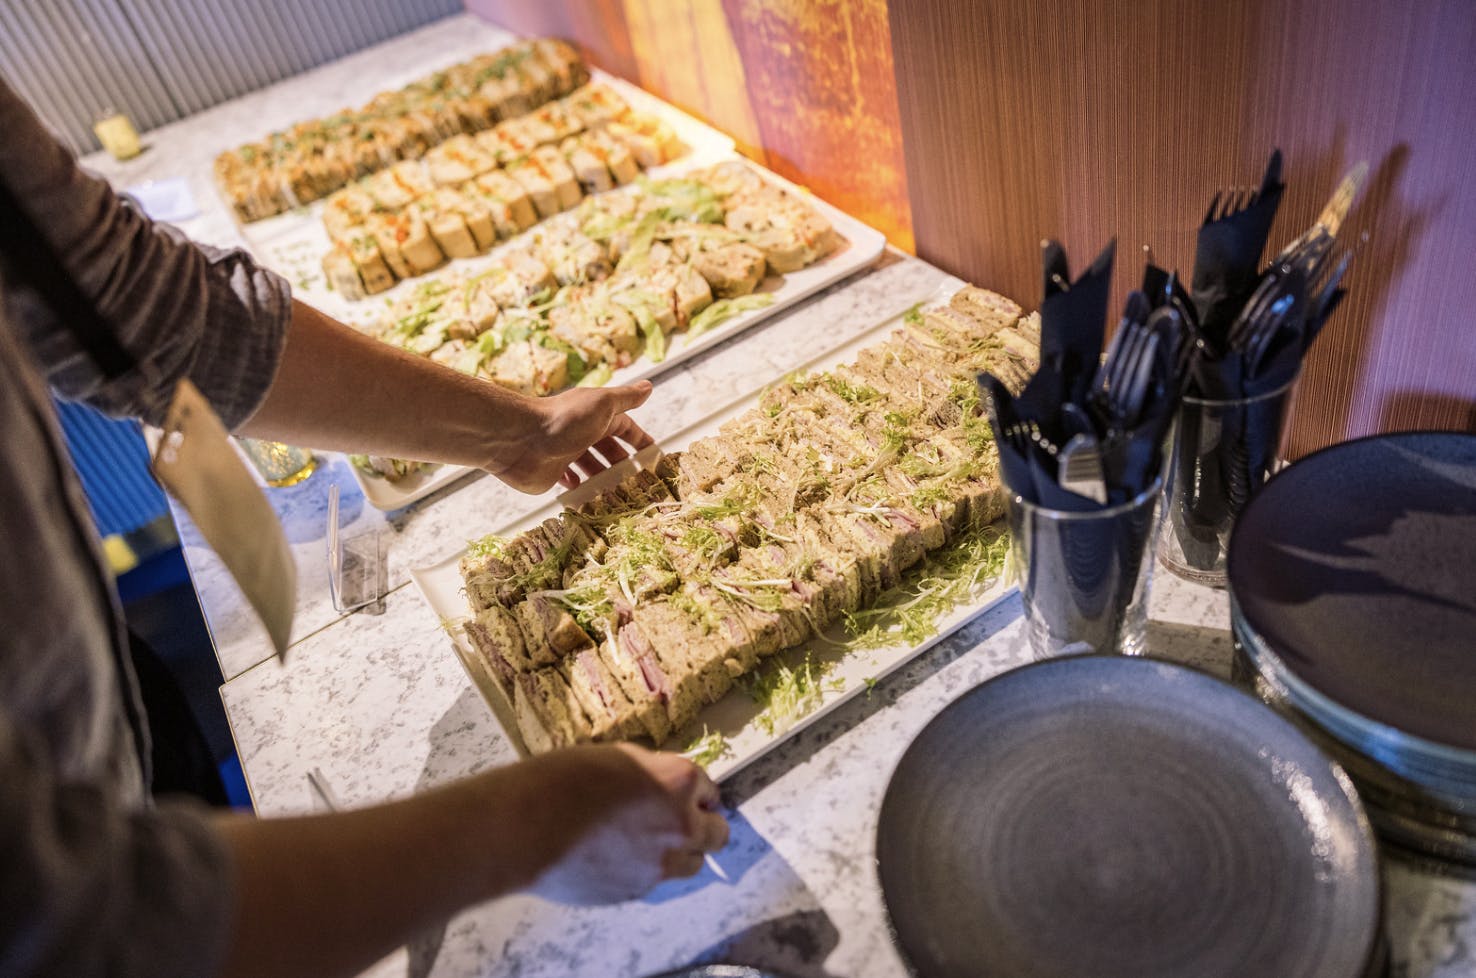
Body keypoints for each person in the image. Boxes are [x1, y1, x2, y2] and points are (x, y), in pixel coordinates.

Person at [0, 76, 727, 978]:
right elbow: (73, 919)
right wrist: (535, 820)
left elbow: (140, 306)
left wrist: (517, 431)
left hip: (93, 703)